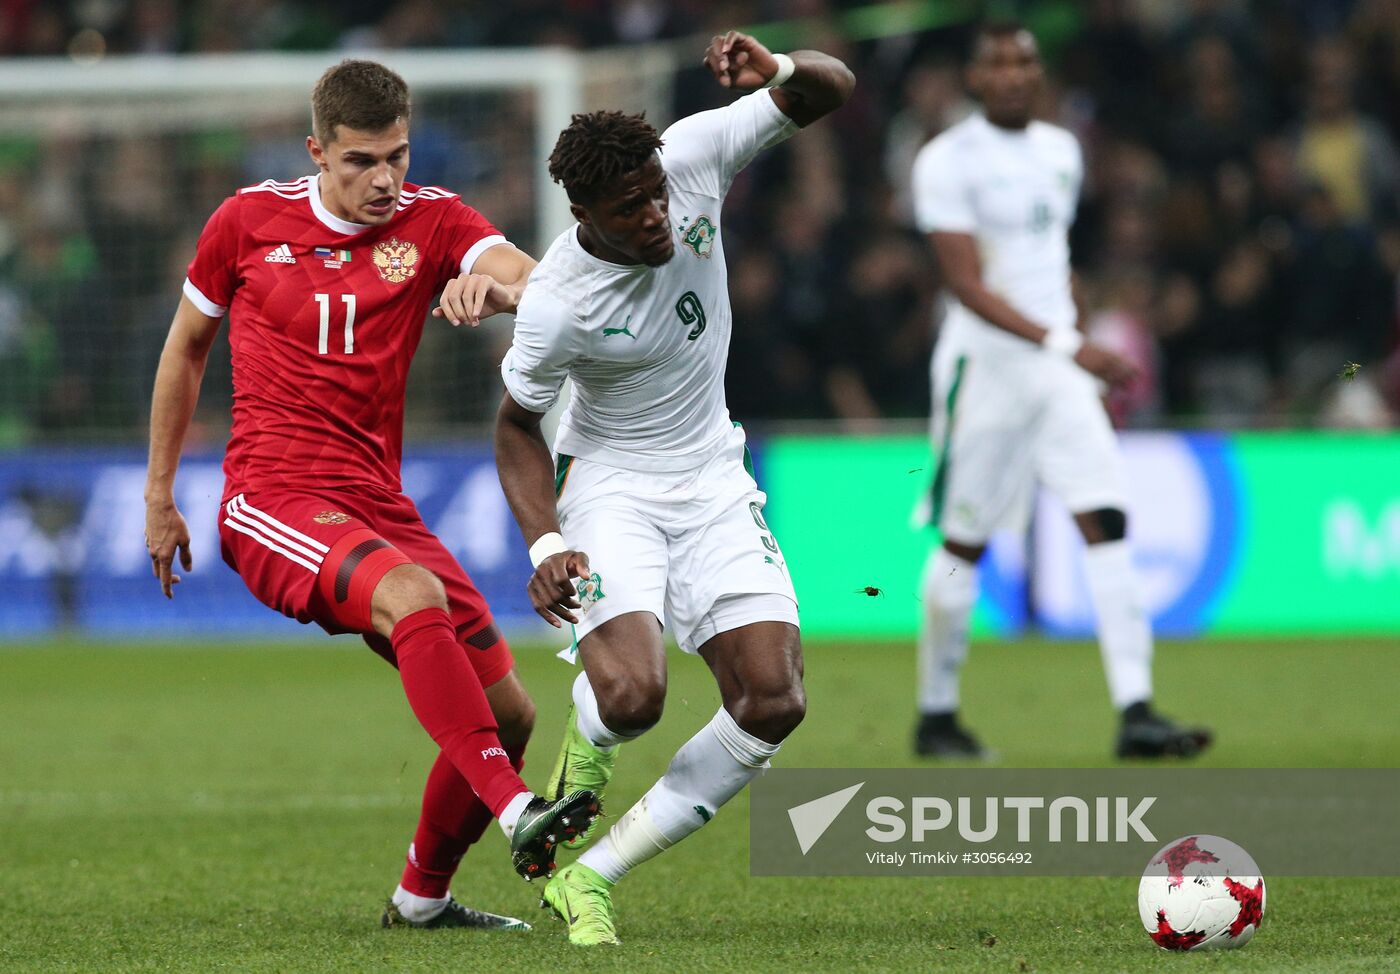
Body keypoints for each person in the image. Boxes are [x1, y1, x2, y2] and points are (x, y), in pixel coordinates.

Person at [142, 59, 598, 932]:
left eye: (397, 155)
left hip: (376, 504)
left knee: (511, 710)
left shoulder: (432, 221)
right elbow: (186, 350)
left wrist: (499, 291)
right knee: (414, 597)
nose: (384, 179)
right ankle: (516, 812)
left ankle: (421, 900)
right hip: (272, 496)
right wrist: (161, 493)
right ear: (317, 151)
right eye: (360, 162)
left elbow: (545, 284)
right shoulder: (244, 222)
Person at [494, 31, 854, 945]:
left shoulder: (690, 156)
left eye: (655, 194)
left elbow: (833, 88)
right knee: (633, 698)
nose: (656, 215)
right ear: (580, 209)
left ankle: (590, 877)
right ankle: (588, 748)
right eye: (628, 208)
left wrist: (776, 71)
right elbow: (514, 429)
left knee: (774, 701)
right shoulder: (559, 303)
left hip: (713, 478)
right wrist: (546, 545)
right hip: (612, 488)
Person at [908, 22, 1213, 761]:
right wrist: (1071, 342)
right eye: (999, 63)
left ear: (1039, 75)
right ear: (975, 78)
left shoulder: (1061, 152)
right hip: (983, 371)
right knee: (962, 545)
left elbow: (1048, 260)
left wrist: (1074, 329)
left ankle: (1136, 709)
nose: (1014, 75)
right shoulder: (948, 160)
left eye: (1026, 63)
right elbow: (965, 284)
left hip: (1055, 371)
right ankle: (936, 714)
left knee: (1106, 519)